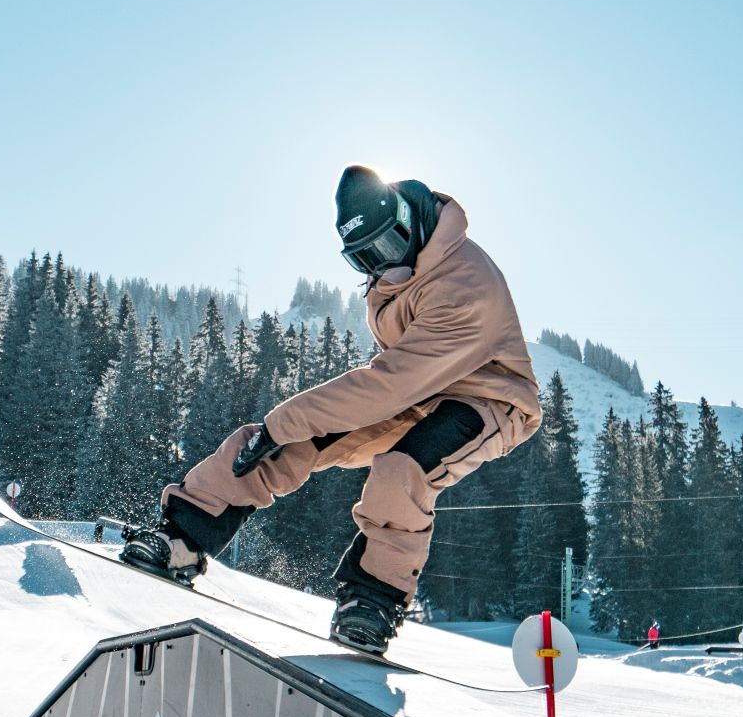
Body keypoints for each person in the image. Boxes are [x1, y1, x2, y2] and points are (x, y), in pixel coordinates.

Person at [121, 166, 542, 653]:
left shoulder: (464, 284)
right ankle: (182, 537)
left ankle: (373, 601)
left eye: (384, 248)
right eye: (363, 258)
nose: (378, 266)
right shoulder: (404, 264)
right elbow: (396, 382)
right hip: (417, 390)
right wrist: (280, 431)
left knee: (402, 469)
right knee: (282, 442)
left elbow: (389, 385)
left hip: (490, 398)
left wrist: (283, 421)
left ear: (409, 224)